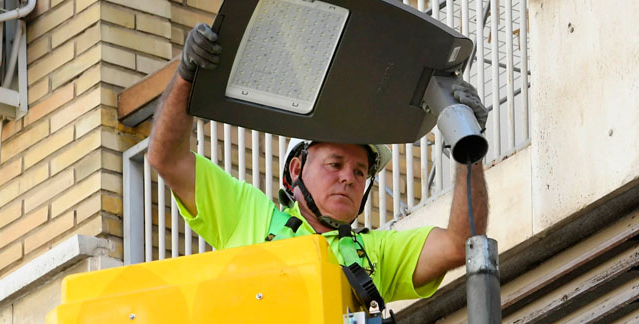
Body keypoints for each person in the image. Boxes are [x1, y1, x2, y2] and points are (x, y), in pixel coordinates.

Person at [147, 24, 489, 304]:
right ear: (296, 171)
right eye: (335, 164)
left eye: (359, 172)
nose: (349, 178)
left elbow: (460, 243)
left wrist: (465, 140)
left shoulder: (375, 254)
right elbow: (166, 158)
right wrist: (187, 76)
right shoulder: (249, 215)